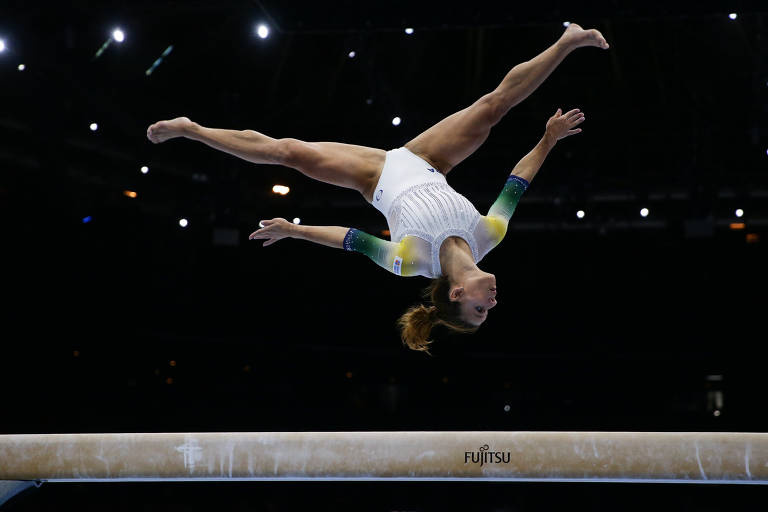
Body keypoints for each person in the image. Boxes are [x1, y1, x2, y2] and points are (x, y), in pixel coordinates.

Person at [146, 23, 608, 353]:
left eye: (480, 311)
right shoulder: (490, 235)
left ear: (456, 296)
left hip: (378, 176)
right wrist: (547, 138)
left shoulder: (410, 261)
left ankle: (192, 130)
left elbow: (352, 239)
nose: (492, 303)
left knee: (288, 152)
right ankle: (567, 40)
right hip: (430, 161)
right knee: (491, 107)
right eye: (487, 311)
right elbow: (517, 182)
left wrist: (295, 229)